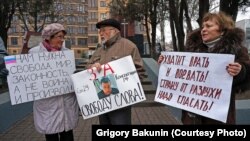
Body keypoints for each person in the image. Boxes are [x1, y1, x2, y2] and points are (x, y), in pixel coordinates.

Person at [158, 12, 250, 124]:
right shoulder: (192, 51)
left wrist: (240, 71)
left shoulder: (237, 50)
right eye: (203, 27)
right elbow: (181, 77)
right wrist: (166, 64)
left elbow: (246, 77)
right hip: (192, 117)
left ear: (222, 30)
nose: (203, 30)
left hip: (217, 118)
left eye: (209, 26)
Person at [87, 18, 145, 125]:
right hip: (102, 102)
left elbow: (139, 71)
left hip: (121, 104)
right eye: (100, 31)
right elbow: (88, 68)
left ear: (115, 31)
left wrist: (126, 87)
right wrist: (92, 66)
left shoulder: (129, 46)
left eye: (104, 30)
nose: (101, 33)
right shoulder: (99, 50)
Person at [29, 23, 79, 141]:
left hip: (66, 102)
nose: (62, 40)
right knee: (51, 134)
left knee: (68, 135)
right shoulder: (34, 53)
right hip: (48, 104)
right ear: (48, 37)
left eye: (63, 37)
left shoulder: (67, 53)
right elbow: (30, 78)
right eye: (59, 37)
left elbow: (72, 74)